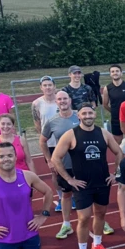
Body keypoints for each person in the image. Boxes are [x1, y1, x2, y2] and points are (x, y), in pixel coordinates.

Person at [51, 104, 124, 249]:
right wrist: (69, 179)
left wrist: (115, 174)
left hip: (102, 183)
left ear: (94, 115)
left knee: (100, 214)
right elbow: (56, 158)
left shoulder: (103, 133)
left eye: (90, 112)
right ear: (79, 116)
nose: (88, 115)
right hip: (82, 185)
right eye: (84, 113)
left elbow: (119, 153)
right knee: (83, 218)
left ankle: (97, 245)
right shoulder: (71, 135)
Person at [40, 91, 81, 239]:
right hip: (64, 165)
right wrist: (49, 160)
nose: (62, 101)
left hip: (83, 164)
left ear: (70, 100)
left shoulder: (80, 116)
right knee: (66, 194)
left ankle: (100, 221)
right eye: (59, 99)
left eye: (65, 98)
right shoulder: (52, 122)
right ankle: (66, 224)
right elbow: (42, 141)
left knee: (89, 193)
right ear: (56, 102)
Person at [102, 64, 125, 138]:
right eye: (112, 71)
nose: (115, 73)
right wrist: (113, 111)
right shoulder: (107, 88)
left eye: (117, 71)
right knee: (118, 144)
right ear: (110, 74)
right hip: (116, 119)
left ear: (121, 73)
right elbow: (105, 104)